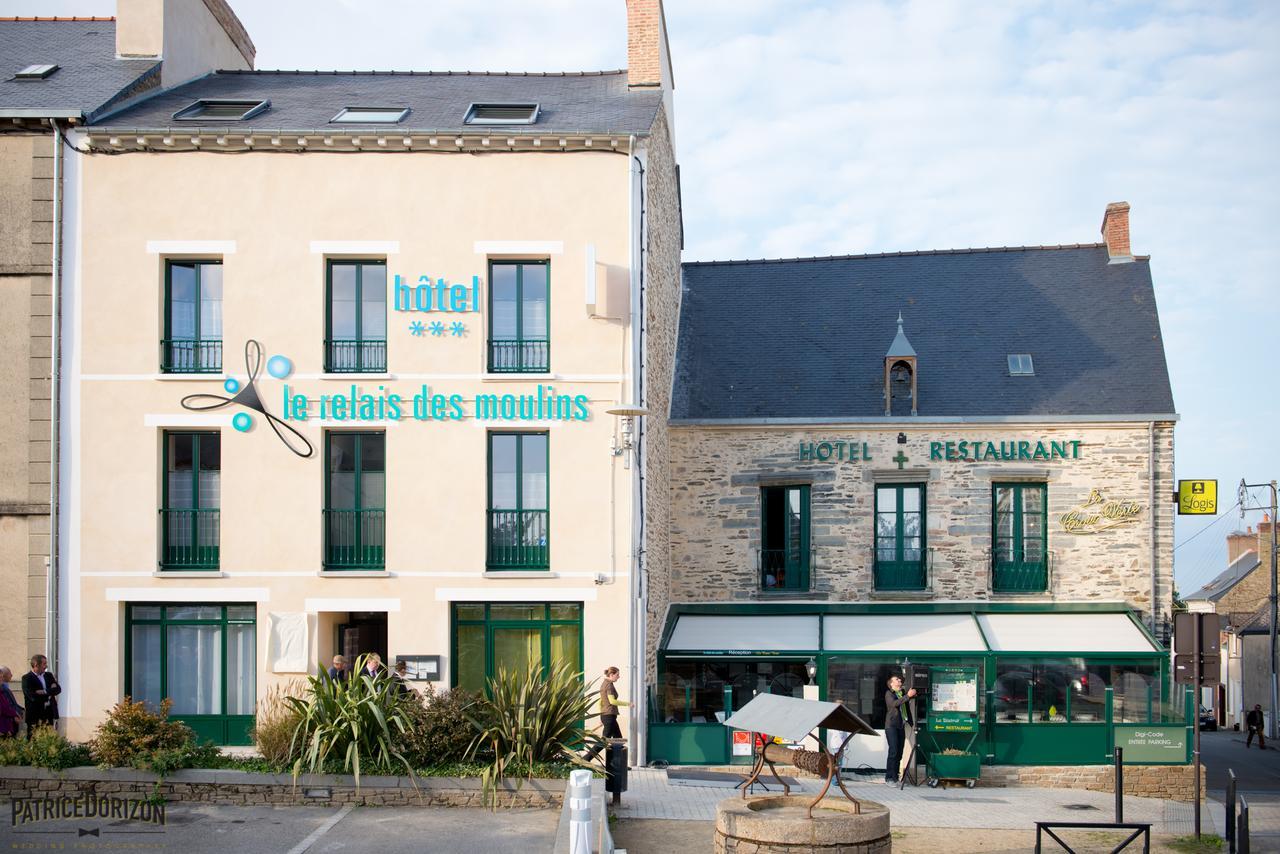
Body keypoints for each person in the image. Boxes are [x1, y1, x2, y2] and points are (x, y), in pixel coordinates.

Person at [584, 667, 628, 761]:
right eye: (617, 675)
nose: (619, 677)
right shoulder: (609, 686)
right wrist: (628, 704)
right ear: (611, 675)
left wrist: (601, 716)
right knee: (603, 741)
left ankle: (619, 764)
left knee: (618, 739)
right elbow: (612, 701)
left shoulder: (604, 684)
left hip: (607, 716)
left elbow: (600, 702)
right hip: (609, 717)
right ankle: (585, 759)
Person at [883, 673, 916, 785]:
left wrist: (912, 694)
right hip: (891, 726)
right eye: (897, 679)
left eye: (900, 679)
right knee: (893, 751)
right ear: (891, 684)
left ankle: (895, 777)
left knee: (899, 752)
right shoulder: (889, 693)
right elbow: (894, 704)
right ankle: (889, 778)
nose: (899, 680)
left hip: (901, 725)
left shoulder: (901, 693)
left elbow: (907, 703)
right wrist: (908, 696)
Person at [21, 654, 60, 737]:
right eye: (44, 664)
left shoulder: (48, 675)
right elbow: (32, 696)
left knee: (49, 740)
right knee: (34, 740)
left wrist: (44, 691)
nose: (46, 666)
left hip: (49, 714)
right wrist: (50, 692)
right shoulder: (27, 678)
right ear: (36, 665)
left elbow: (58, 689)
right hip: (35, 716)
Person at [0, 667, 23, 738]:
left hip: (6, 725)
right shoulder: (3, 689)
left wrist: (20, 711)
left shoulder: (2, 690)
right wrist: (14, 714)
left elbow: (8, 705)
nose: (1, 679)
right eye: (0, 677)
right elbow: (4, 708)